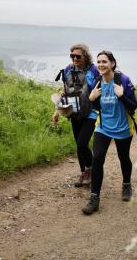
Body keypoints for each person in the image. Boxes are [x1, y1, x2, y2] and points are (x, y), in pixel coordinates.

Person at [82, 50, 137, 215]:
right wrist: (91, 100)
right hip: (103, 127)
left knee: (123, 157)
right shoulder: (98, 82)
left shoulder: (123, 81)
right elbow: (97, 107)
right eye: (99, 62)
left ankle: (126, 184)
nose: (101, 65)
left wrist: (121, 96)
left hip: (123, 127)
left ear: (112, 63)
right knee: (97, 159)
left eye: (104, 62)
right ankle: (94, 198)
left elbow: (133, 106)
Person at [52, 44, 100, 187]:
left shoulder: (94, 71)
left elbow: (100, 89)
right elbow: (64, 90)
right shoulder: (68, 69)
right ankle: (84, 173)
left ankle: (90, 170)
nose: (75, 58)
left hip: (90, 113)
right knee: (79, 146)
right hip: (73, 112)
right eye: (72, 56)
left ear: (85, 56)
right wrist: (57, 111)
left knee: (82, 143)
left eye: (78, 56)